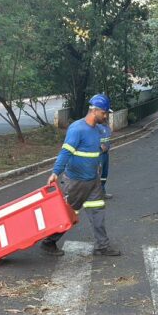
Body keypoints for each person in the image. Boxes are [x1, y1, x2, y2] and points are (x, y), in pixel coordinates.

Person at [41, 94, 121, 256]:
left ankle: (102, 246)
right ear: (95, 111)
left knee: (98, 212)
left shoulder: (97, 129)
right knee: (68, 214)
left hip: (93, 181)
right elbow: (66, 152)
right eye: (104, 113)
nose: (105, 116)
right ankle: (49, 242)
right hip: (76, 182)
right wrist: (56, 172)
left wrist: (103, 148)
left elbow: (95, 149)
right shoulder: (78, 129)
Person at [98, 115, 112, 199]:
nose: (106, 116)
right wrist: (100, 145)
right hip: (99, 155)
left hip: (106, 154)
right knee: (98, 174)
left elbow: (108, 139)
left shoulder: (107, 127)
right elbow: (91, 138)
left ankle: (102, 191)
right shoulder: (97, 127)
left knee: (104, 174)